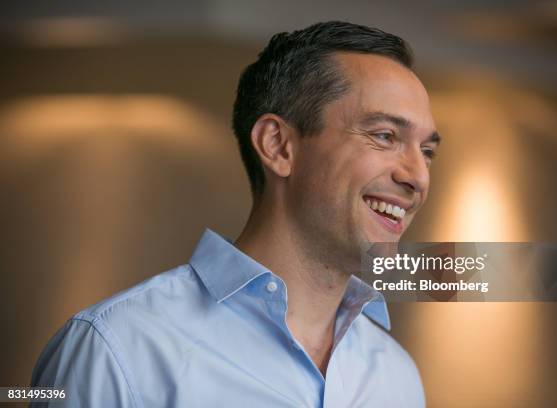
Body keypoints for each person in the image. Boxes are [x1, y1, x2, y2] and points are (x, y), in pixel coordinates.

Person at [31, 21, 440, 407]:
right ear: (278, 146)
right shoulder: (114, 349)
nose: (417, 177)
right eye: (385, 136)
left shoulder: (395, 374)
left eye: (427, 152)